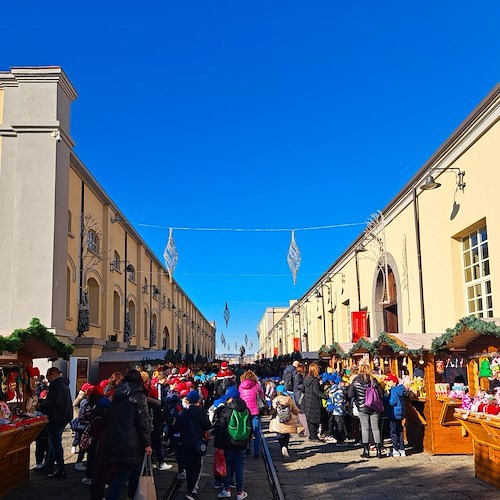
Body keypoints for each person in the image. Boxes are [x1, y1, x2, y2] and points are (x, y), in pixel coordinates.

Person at [104, 369, 152, 500]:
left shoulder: (117, 394)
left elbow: (109, 416)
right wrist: (147, 443)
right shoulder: (138, 395)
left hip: (117, 437)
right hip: (132, 440)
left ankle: (131, 496)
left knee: (132, 471)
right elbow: (143, 422)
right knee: (124, 473)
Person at [213, 386, 252, 500]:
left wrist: (218, 446)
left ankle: (227, 490)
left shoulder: (226, 410)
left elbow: (221, 429)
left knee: (228, 466)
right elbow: (249, 427)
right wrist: (247, 442)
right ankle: (240, 492)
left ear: (231, 398)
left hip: (228, 443)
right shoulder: (246, 409)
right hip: (242, 444)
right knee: (239, 467)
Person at [36, 366, 73, 478]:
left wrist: (41, 405)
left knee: (55, 443)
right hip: (63, 416)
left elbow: (55, 402)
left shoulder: (57, 385)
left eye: (48, 375)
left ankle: (61, 469)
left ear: (52, 374)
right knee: (52, 442)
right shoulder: (63, 384)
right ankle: (49, 465)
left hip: (57, 417)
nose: (47, 378)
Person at [175, 390, 211, 500]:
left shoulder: (182, 413)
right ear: (198, 400)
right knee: (197, 465)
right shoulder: (201, 412)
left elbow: (177, 428)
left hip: (185, 443)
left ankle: (189, 487)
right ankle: (193, 490)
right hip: (197, 443)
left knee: (189, 465)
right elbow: (207, 426)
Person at [348, 364, 384, 458]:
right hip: (374, 406)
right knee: (375, 428)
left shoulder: (356, 380)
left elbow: (350, 394)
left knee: (365, 428)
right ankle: (379, 450)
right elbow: (381, 392)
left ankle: (366, 450)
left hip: (362, 407)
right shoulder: (373, 380)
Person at [238, 369, 265, 458]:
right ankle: (257, 452)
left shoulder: (241, 386)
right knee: (256, 433)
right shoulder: (256, 386)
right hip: (255, 411)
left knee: (246, 431)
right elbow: (262, 396)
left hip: (244, 411)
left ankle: (247, 448)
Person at [269, 384, 300, 457]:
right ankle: (285, 445)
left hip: (278, 420)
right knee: (287, 433)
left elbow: (272, 411)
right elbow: (295, 410)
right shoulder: (289, 399)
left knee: (280, 434)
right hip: (288, 419)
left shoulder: (276, 400)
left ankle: (283, 447)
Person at [302, 362, 328, 441]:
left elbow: (304, 389)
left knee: (310, 420)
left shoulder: (307, 378)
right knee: (315, 419)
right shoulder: (315, 380)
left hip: (307, 401)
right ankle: (314, 437)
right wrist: (326, 396)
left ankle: (311, 436)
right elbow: (316, 391)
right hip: (314, 401)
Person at [383, 374, 407, 457]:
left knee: (393, 432)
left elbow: (392, 402)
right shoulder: (401, 389)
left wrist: (385, 398)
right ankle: (402, 449)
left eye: (389, 381)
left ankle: (395, 449)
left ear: (393, 382)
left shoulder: (393, 390)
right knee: (400, 431)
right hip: (400, 413)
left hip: (393, 413)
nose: (387, 383)